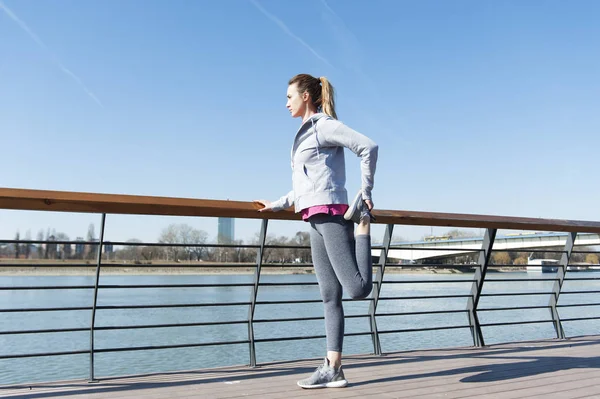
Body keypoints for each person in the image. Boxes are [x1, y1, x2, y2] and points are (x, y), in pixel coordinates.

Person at [253, 73, 378, 389]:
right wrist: (277, 204)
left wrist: (365, 193)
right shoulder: (304, 133)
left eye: (289, 96)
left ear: (305, 96)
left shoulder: (324, 126)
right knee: (328, 294)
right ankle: (333, 368)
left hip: (332, 215)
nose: (286, 103)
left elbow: (368, 146)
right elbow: (307, 186)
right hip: (312, 218)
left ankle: (363, 228)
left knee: (357, 289)